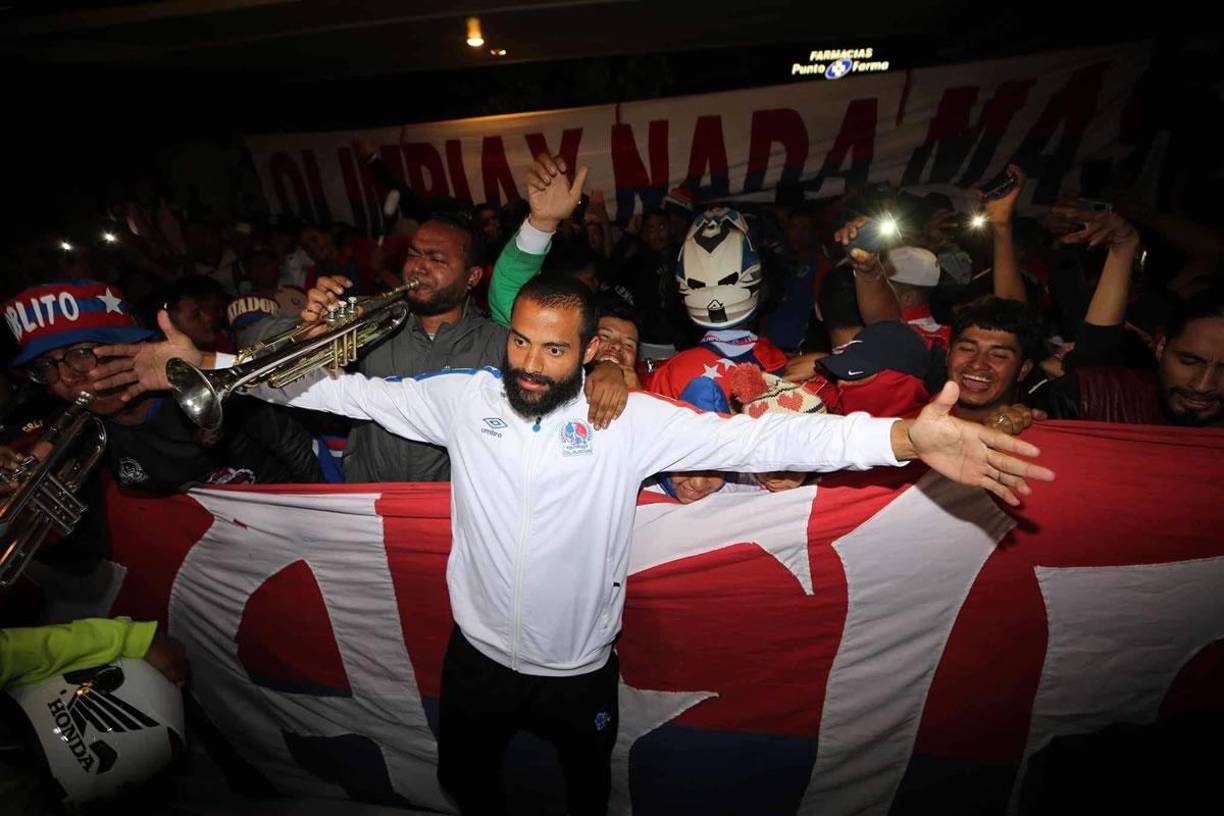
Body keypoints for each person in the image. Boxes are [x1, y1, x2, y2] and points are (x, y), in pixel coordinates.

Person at [91, 272, 1052, 815]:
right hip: (473, 660)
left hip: (576, 672)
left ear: (588, 351)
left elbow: (771, 437)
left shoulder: (633, 418)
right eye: (521, 342)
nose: (532, 364)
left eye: (556, 349)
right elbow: (338, 391)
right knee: (469, 787)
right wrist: (207, 362)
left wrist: (899, 438)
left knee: (581, 801)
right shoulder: (467, 398)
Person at [281, 155, 628, 483]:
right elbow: (281, 366)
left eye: (437, 259)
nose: (418, 266)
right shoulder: (370, 326)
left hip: (453, 522)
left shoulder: (499, 343)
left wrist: (608, 367)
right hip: (370, 513)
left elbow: (556, 363)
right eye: (415, 253)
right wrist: (309, 334)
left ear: (473, 277)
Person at [3, 281, 322, 493]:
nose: (67, 377)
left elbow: (291, 444)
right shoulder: (81, 435)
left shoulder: (205, 388)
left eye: (81, 354)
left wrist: (322, 509)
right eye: (46, 366)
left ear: (129, 349)